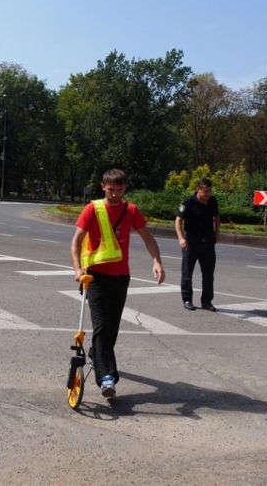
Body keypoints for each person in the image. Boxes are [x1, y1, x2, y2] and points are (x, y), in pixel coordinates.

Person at [71, 169, 165, 398]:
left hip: (121, 277)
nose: (115, 194)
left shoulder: (130, 210)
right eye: (111, 189)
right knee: (102, 327)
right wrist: (77, 269)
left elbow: (148, 238)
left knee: (111, 329)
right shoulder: (92, 209)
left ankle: (96, 354)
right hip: (94, 277)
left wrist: (157, 262)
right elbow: (76, 242)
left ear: (125, 188)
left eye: (120, 190)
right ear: (103, 186)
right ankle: (107, 378)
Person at [175, 178, 220, 312]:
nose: (208, 194)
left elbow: (216, 217)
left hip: (208, 241)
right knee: (187, 272)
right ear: (198, 190)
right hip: (192, 241)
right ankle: (187, 299)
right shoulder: (188, 202)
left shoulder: (212, 201)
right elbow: (178, 221)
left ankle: (207, 301)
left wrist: (217, 233)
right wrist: (181, 238)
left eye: (210, 191)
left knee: (208, 273)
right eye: (205, 191)